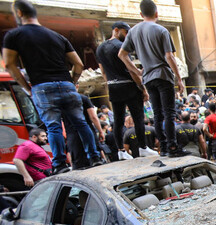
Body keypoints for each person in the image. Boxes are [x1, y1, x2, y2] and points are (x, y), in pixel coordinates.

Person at [3, 0, 101, 174]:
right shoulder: (57, 36)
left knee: (53, 127)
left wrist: (27, 88)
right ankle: (94, 157)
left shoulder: (14, 36)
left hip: (42, 86)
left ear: (19, 13)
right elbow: (78, 64)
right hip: (66, 84)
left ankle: (60, 164)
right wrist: (71, 82)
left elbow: (10, 65)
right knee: (80, 123)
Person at [118, 0, 188, 157]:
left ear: (141, 14)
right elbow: (169, 56)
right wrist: (178, 77)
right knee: (169, 112)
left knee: (157, 113)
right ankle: (172, 146)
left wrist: (136, 70)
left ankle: (163, 147)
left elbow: (122, 54)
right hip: (163, 74)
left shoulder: (133, 32)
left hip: (148, 77)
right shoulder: (161, 30)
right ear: (157, 13)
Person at [96, 21, 158, 162]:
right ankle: (143, 147)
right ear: (116, 30)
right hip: (128, 86)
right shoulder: (120, 46)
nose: (127, 35)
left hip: (113, 86)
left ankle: (121, 151)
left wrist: (111, 84)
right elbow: (131, 70)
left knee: (118, 121)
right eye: (126, 32)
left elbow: (103, 72)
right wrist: (142, 88)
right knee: (138, 117)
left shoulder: (100, 49)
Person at [65, 92, 106, 170]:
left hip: (72, 135)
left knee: (79, 164)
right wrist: (100, 131)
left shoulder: (60, 100)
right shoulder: (83, 98)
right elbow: (93, 117)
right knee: (96, 162)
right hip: (88, 132)